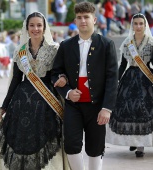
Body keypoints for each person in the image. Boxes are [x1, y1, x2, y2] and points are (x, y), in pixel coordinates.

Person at [0, 12, 70, 170]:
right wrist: (4, 106)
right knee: (22, 140)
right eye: (32, 25)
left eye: (39, 25)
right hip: (21, 102)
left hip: (47, 102)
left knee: (47, 138)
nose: (35, 28)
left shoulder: (54, 49)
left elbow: (59, 73)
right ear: (26, 28)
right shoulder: (20, 51)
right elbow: (16, 80)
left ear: (44, 28)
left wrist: (63, 78)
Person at [51, 2, 118, 170]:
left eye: (86, 17)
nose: (83, 21)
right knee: (72, 145)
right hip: (73, 105)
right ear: (75, 20)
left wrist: (107, 108)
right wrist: (67, 92)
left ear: (94, 19)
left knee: (95, 147)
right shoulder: (66, 45)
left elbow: (112, 78)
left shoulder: (106, 45)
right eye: (79, 17)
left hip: (97, 105)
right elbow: (55, 73)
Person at [106, 13, 153, 158]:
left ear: (145, 25)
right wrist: (116, 80)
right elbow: (123, 65)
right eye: (136, 23)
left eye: (141, 23)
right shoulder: (127, 43)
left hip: (146, 79)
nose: (138, 26)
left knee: (144, 111)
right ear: (132, 25)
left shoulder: (151, 43)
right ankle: (133, 139)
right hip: (130, 78)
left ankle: (141, 145)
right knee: (128, 111)